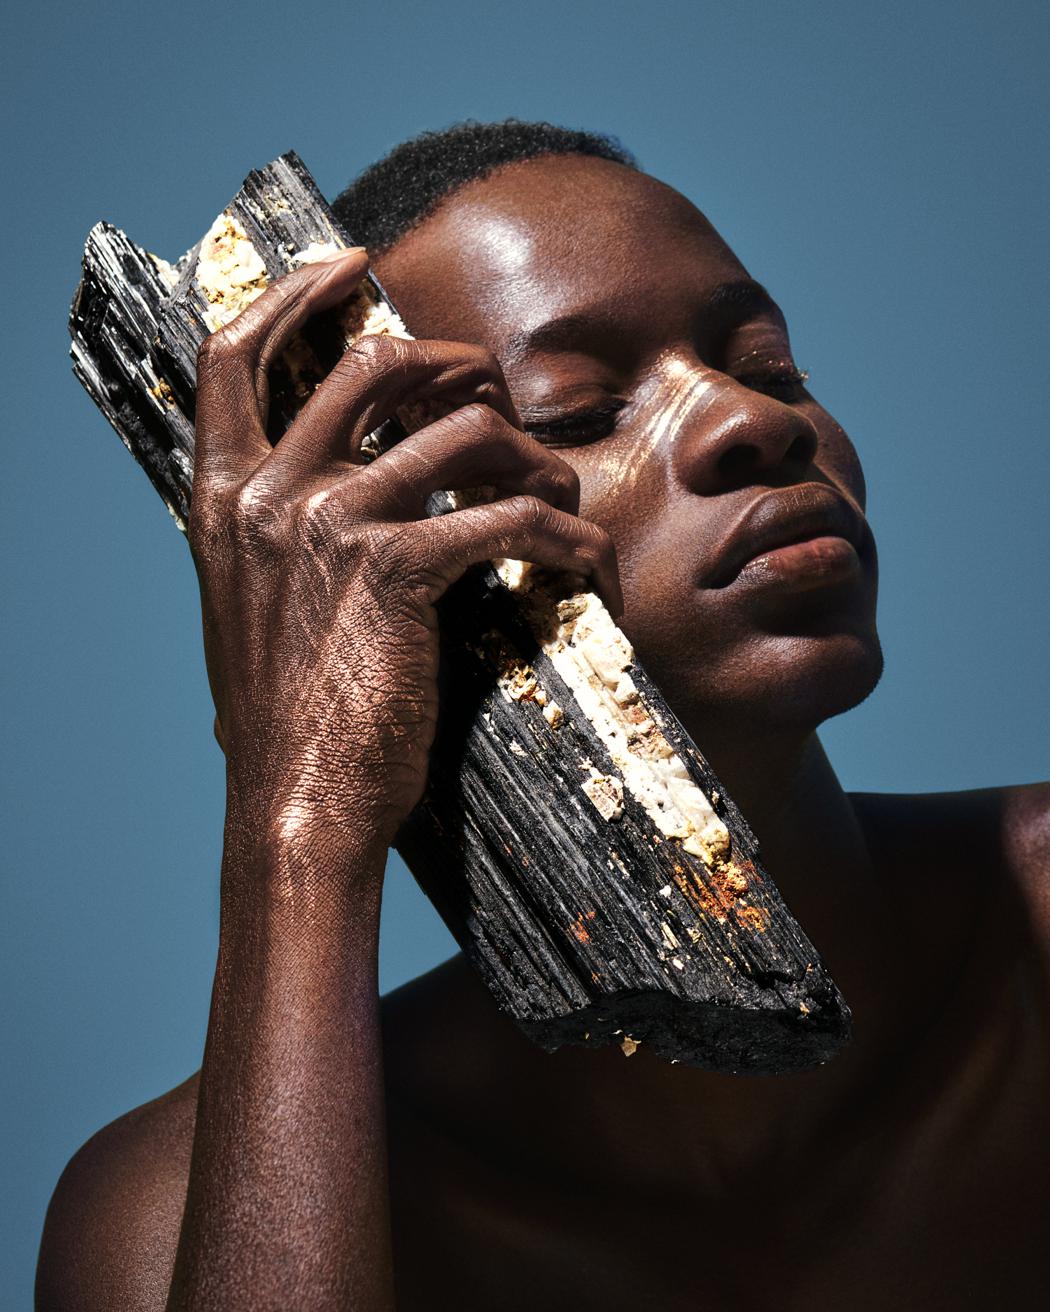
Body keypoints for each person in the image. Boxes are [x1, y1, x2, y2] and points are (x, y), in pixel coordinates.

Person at [36, 120, 1048, 1311]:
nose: (752, 419)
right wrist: (298, 817)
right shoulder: (161, 1218)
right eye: (577, 412)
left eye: (773, 368)